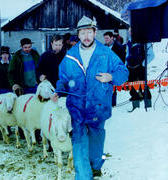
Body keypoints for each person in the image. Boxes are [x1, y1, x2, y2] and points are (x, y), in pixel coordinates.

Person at [50, 16, 129, 179]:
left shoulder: (106, 54)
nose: (86, 36)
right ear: (78, 35)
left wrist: (111, 77)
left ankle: (97, 164)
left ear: (95, 33)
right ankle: (84, 175)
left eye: (89, 32)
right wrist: (59, 90)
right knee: (79, 147)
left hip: (98, 108)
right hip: (77, 109)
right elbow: (63, 79)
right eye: (82, 33)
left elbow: (124, 72)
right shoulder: (70, 56)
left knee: (96, 144)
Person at [125, 28, 152, 111]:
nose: (131, 32)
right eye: (130, 31)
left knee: (144, 86)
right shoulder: (129, 42)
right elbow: (127, 55)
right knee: (132, 88)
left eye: (132, 30)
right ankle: (135, 107)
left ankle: (148, 106)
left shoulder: (144, 41)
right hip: (130, 68)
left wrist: (143, 64)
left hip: (140, 67)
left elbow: (151, 55)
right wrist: (126, 66)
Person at [103, 31, 126, 106]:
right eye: (105, 38)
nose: (106, 40)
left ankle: (113, 104)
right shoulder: (104, 47)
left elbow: (122, 58)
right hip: (105, 70)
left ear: (112, 38)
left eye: (107, 38)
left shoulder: (118, 46)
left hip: (114, 70)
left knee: (113, 87)